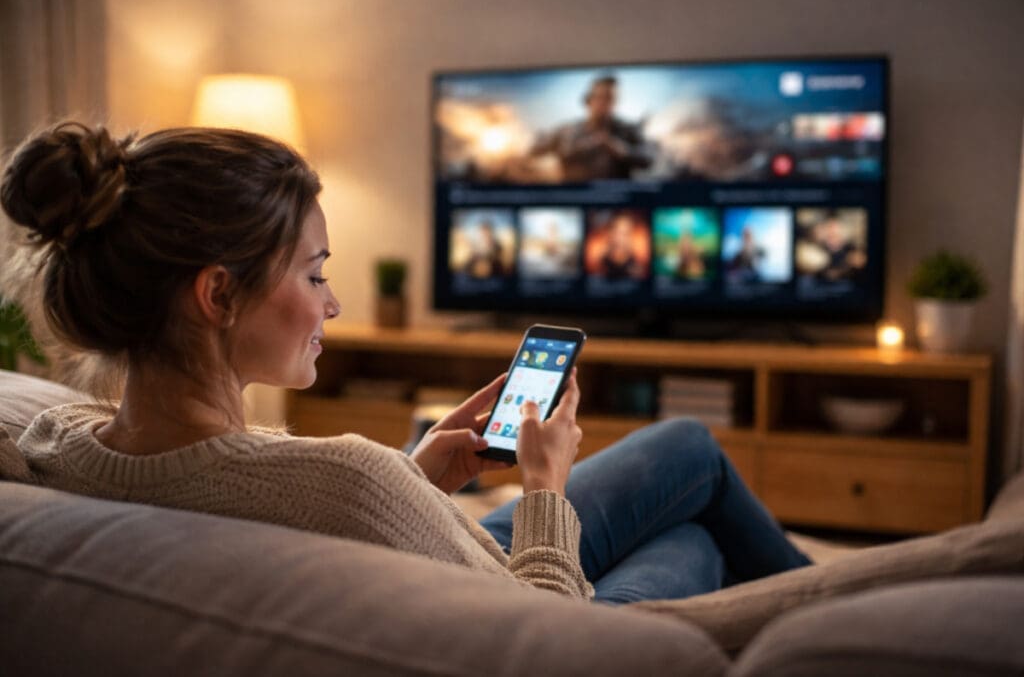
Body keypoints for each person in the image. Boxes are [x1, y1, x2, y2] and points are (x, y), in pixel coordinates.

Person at [1, 122, 809, 604]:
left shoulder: (51, 443)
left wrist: (415, 477)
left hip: (416, 538)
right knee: (696, 537)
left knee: (683, 450)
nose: (333, 303)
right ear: (217, 294)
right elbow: (549, 631)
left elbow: (289, 507)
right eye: (315, 273)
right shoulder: (347, 478)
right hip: (546, 607)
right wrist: (543, 484)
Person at [529, 75, 654, 182]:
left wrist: (620, 150)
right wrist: (586, 146)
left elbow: (648, 160)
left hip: (618, 202)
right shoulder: (567, 131)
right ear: (588, 100)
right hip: (574, 200)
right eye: (601, 97)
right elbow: (534, 151)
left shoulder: (628, 130)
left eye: (611, 98)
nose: (606, 104)